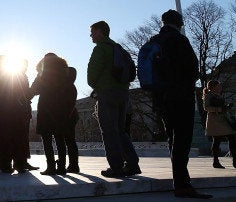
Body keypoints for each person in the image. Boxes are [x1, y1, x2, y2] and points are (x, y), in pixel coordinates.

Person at [151, 10, 212, 198]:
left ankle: (180, 181)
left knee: (172, 139)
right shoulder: (179, 40)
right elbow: (192, 68)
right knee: (182, 140)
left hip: (161, 98)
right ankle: (182, 184)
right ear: (179, 23)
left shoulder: (154, 41)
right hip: (180, 96)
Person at [88, 20, 140, 178]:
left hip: (107, 93)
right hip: (123, 93)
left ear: (100, 32)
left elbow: (92, 75)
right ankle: (132, 164)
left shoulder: (100, 48)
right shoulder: (118, 48)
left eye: (93, 31)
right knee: (121, 130)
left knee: (109, 131)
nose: (90, 35)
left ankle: (116, 167)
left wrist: (95, 86)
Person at [0, 55, 31, 173]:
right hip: (15, 112)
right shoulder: (16, 76)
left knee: (4, 138)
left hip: (3, 114)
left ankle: (6, 163)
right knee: (17, 138)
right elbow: (25, 93)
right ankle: (19, 163)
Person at [30, 54, 72, 175]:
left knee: (47, 138)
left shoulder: (43, 71)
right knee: (60, 138)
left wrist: (24, 98)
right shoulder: (64, 72)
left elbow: (34, 89)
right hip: (61, 108)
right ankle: (62, 166)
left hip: (46, 108)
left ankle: (51, 166)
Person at [202, 80, 235, 169]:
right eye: (218, 86)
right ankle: (216, 161)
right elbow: (206, 107)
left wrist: (226, 107)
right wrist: (220, 109)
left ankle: (233, 160)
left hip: (222, 120)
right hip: (214, 121)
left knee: (231, 137)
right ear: (213, 87)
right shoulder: (208, 95)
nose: (219, 88)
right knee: (217, 140)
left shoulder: (218, 95)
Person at [63, 67, 80, 173]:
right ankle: (73, 164)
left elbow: (68, 105)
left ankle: (73, 165)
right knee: (70, 141)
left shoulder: (68, 87)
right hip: (71, 116)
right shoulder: (71, 86)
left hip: (68, 117)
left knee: (69, 141)